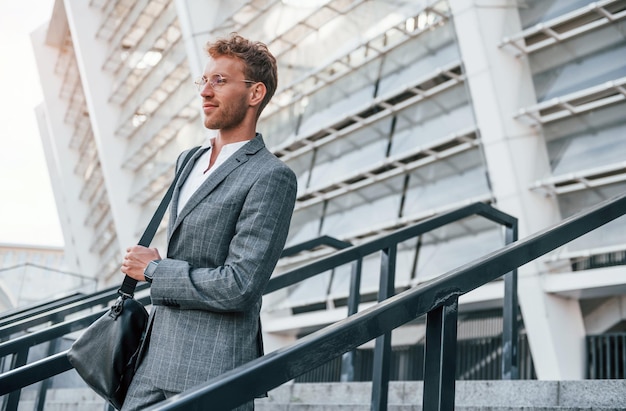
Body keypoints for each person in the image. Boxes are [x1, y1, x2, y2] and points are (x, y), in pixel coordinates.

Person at [120, 33, 297, 411]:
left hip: (212, 368)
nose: (205, 91)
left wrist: (154, 270)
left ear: (255, 94)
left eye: (220, 81)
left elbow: (239, 284)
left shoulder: (271, 176)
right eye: (204, 80)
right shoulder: (189, 159)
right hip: (152, 359)